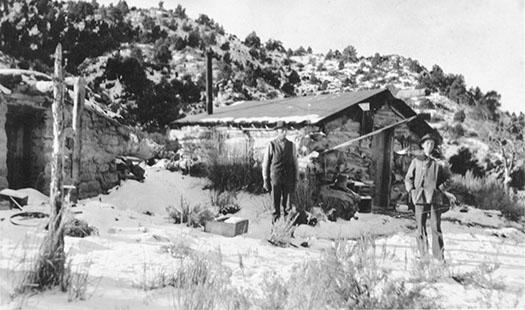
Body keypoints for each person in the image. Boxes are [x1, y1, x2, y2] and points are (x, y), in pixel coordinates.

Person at [404, 133, 449, 261]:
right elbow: (408, 178)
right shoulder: (416, 161)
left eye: (432, 144)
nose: (430, 146)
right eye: (427, 143)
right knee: (420, 228)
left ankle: (439, 257)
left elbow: (449, 179)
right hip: (419, 198)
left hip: (435, 198)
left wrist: (440, 189)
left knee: (435, 227)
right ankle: (423, 255)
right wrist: (411, 190)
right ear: (423, 145)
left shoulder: (439, 162)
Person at [262, 120, 299, 223]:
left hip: (288, 180)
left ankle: (288, 232)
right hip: (275, 180)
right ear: (277, 132)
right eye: (280, 130)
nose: (282, 132)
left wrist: (296, 180)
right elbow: (265, 164)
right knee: (275, 208)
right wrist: (265, 179)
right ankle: (275, 231)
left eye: (284, 130)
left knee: (288, 207)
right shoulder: (271, 145)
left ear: (286, 131)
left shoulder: (292, 146)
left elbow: (295, 164)